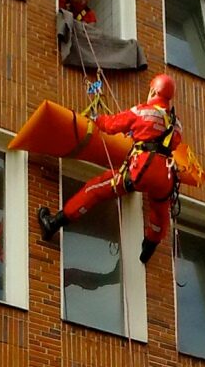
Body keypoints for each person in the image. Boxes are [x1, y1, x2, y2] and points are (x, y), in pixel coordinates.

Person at [37, 73, 182, 264]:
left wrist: (96, 119)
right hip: (166, 177)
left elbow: (112, 125)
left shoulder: (143, 112)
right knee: (159, 212)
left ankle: (54, 223)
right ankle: (148, 249)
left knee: (95, 189)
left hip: (141, 171)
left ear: (154, 90)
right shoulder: (175, 123)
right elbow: (172, 142)